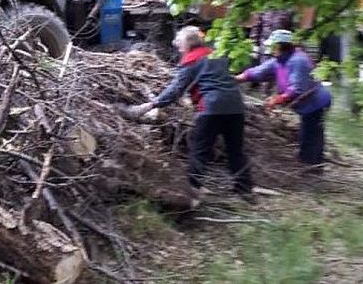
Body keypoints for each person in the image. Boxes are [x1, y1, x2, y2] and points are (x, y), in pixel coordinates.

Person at [129, 26, 254, 196]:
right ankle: (245, 190)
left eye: (180, 43)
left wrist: (152, 105)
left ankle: (194, 188)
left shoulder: (191, 60)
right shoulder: (217, 54)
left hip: (211, 108)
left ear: (187, 44)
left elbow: (176, 89)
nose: (178, 47)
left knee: (199, 146)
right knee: (235, 149)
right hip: (235, 107)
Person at [236, 29, 332, 171]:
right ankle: (310, 164)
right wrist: (238, 78)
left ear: (281, 46)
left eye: (273, 46)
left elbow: (296, 89)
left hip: (315, 102)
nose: (270, 49)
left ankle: (312, 167)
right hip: (306, 104)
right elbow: (259, 71)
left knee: (311, 134)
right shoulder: (279, 60)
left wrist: (277, 99)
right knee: (308, 133)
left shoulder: (297, 60)